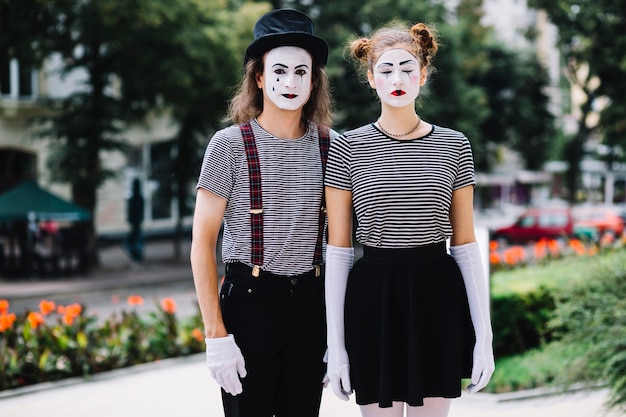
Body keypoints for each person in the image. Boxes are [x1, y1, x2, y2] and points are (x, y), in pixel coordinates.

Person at [323, 21, 495, 417]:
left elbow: (465, 243)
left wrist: (483, 335)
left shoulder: (454, 145)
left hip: (437, 295)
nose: (397, 78)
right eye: (385, 70)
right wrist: (336, 344)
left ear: (423, 74)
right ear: (371, 78)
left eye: (406, 68)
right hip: (372, 298)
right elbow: (338, 250)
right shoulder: (347, 147)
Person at [189, 8, 335, 417]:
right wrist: (216, 336)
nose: (290, 82)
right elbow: (201, 245)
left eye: (302, 72)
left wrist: (340, 335)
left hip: (311, 305)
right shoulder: (228, 146)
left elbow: (343, 244)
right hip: (250, 305)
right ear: (259, 77)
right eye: (280, 70)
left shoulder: (332, 146)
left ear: (314, 81)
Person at [124, 178, 145, 263]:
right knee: (136, 240)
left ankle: (136, 255)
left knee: (134, 240)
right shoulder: (139, 198)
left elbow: (130, 211)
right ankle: (137, 255)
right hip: (137, 222)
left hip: (135, 223)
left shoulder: (134, 199)